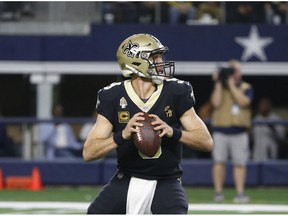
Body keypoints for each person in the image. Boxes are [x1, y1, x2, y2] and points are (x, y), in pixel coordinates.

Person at [83, 33, 213, 214]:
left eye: (160, 56)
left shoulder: (176, 91)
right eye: (155, 57)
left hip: (166, 179)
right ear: (136, 61)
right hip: (126, 177)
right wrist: (123, 135)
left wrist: (173, 132)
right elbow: (89, 152)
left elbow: (206, 142)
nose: (161, 61)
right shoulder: (112, 96)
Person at [210, 59, 253, 203]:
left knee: (240, 163)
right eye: (231, 70)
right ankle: (218, 193)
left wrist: (231, 84)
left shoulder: (246, 87)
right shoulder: (220, 87)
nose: (233, 73)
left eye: (236, 70)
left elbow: (244, 102)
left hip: (239, 131)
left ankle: (240, 193)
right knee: (219, 162)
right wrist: (219, 83)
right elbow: (215, 103)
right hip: (220, 130)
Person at [252, 97, 285, 162]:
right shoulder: (255, 119)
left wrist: (273, 129)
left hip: (271, 153)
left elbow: (282, 136)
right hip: (257, 155)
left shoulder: (275, 119)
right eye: (261, 105)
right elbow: (252, 137)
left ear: (269, 106)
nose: (261, 106)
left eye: (264, 104)